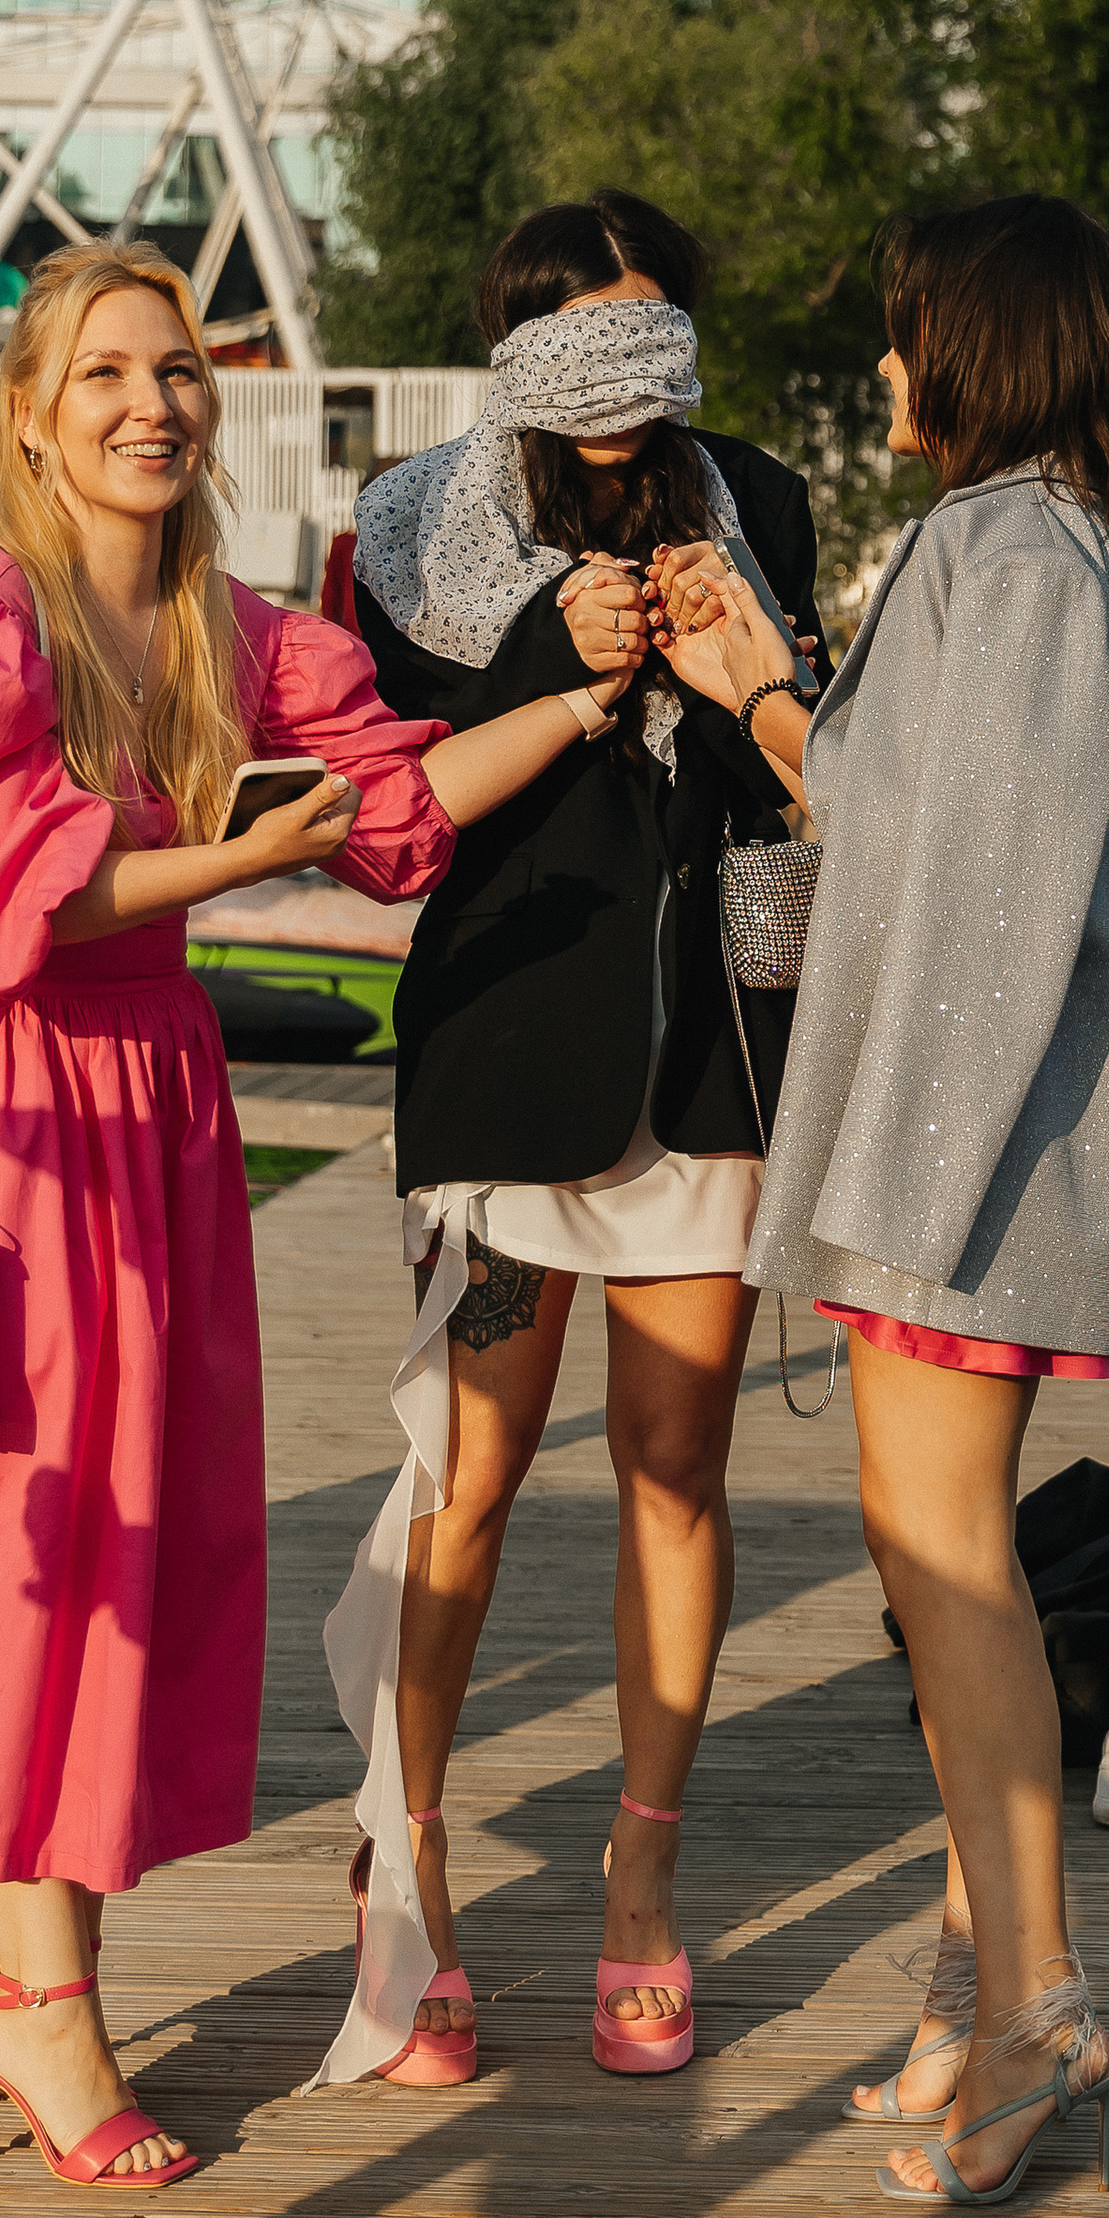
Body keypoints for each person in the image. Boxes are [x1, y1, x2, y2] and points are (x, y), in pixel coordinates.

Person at [0, 242, 601, 2192]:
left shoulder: (253, 635)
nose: (153, 403)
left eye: (180, 373)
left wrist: (568, 699)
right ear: (35, 416)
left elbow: (385, 820)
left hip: (147, 1105)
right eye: (109, 374)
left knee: (122, 1538)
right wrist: (237, 849)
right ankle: (43, 2002)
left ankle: (37, 1983)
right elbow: (2, 902)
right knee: (6, 1553)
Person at [650, 194, 1109, 2204]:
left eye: (900, 336)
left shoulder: (998, 550)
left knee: (943, 1567)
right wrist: (785, 683)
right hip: (1022, 1141)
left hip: (965, 1154)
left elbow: (949, 857)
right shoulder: (1103, 562)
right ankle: (969, 2000)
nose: (884, 371)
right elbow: (977, 822)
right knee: (945, 1564)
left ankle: (1038, 2004)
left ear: (969, 347)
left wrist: (761, 699)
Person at [310, 190, 824, 2092]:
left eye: (653, 338)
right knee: (469, 1473)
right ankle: (412, 1865)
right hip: (511, 1059)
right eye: (580, 344)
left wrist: (734, 648)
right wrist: (548, 651)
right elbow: (380, 800)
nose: (622, 386)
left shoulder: (759, 497)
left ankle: (638, 1878)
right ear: (513, 347)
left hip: (705, 1063)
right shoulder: (410, 527)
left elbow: (819, 745)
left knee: (675, 1466)